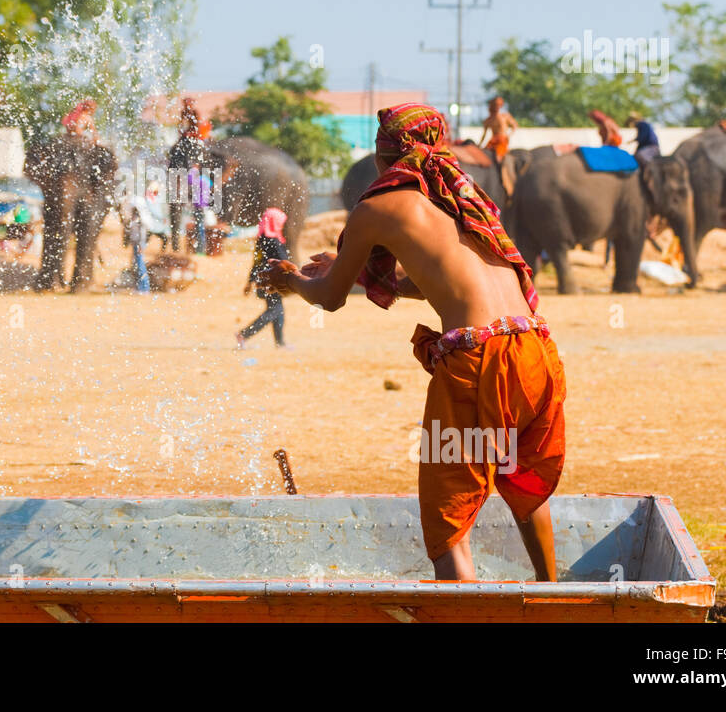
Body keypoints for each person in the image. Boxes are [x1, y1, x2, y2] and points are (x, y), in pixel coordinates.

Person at [258, 103, 566, 581]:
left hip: (477, 361)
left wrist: (294, 281)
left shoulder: (377, 206)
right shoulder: (459, 196)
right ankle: (558, 599)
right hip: (534, 350)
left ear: (382, 157)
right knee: (521, 483)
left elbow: (330, 298)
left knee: (448, 525)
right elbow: (443, 281)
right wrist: (359, 278)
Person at [237, 208, 290, 349]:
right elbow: (284, 262)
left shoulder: (262, 241)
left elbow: (256, 263)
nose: (282, 225)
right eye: (280, 222)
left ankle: (280, 343)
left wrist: (249, 282)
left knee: (277, 309)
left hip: (263, 280)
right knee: (275, 310)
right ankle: (244, 334)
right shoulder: (274, 241)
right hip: (273, 281)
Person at [477, 97, 518, 161]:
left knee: (498, 157)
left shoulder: (505, 116)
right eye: (495, 105)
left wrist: (509, 135)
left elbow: (515, 125)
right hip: (493, 140)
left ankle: (503, 170)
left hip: (502, 140)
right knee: (483, 155)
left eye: (499, 105)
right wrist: (479, 145)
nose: (497, 106)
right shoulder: (488, 120)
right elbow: (484, 134)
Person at [125, 201, 151, 293]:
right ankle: (139, 286)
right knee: (136, 265)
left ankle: (144, 287)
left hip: (139, 244)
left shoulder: (140, 220)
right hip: (135, 243)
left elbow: (142, 234)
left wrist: (140, 245)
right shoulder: (134, 219)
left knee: (140, 265)